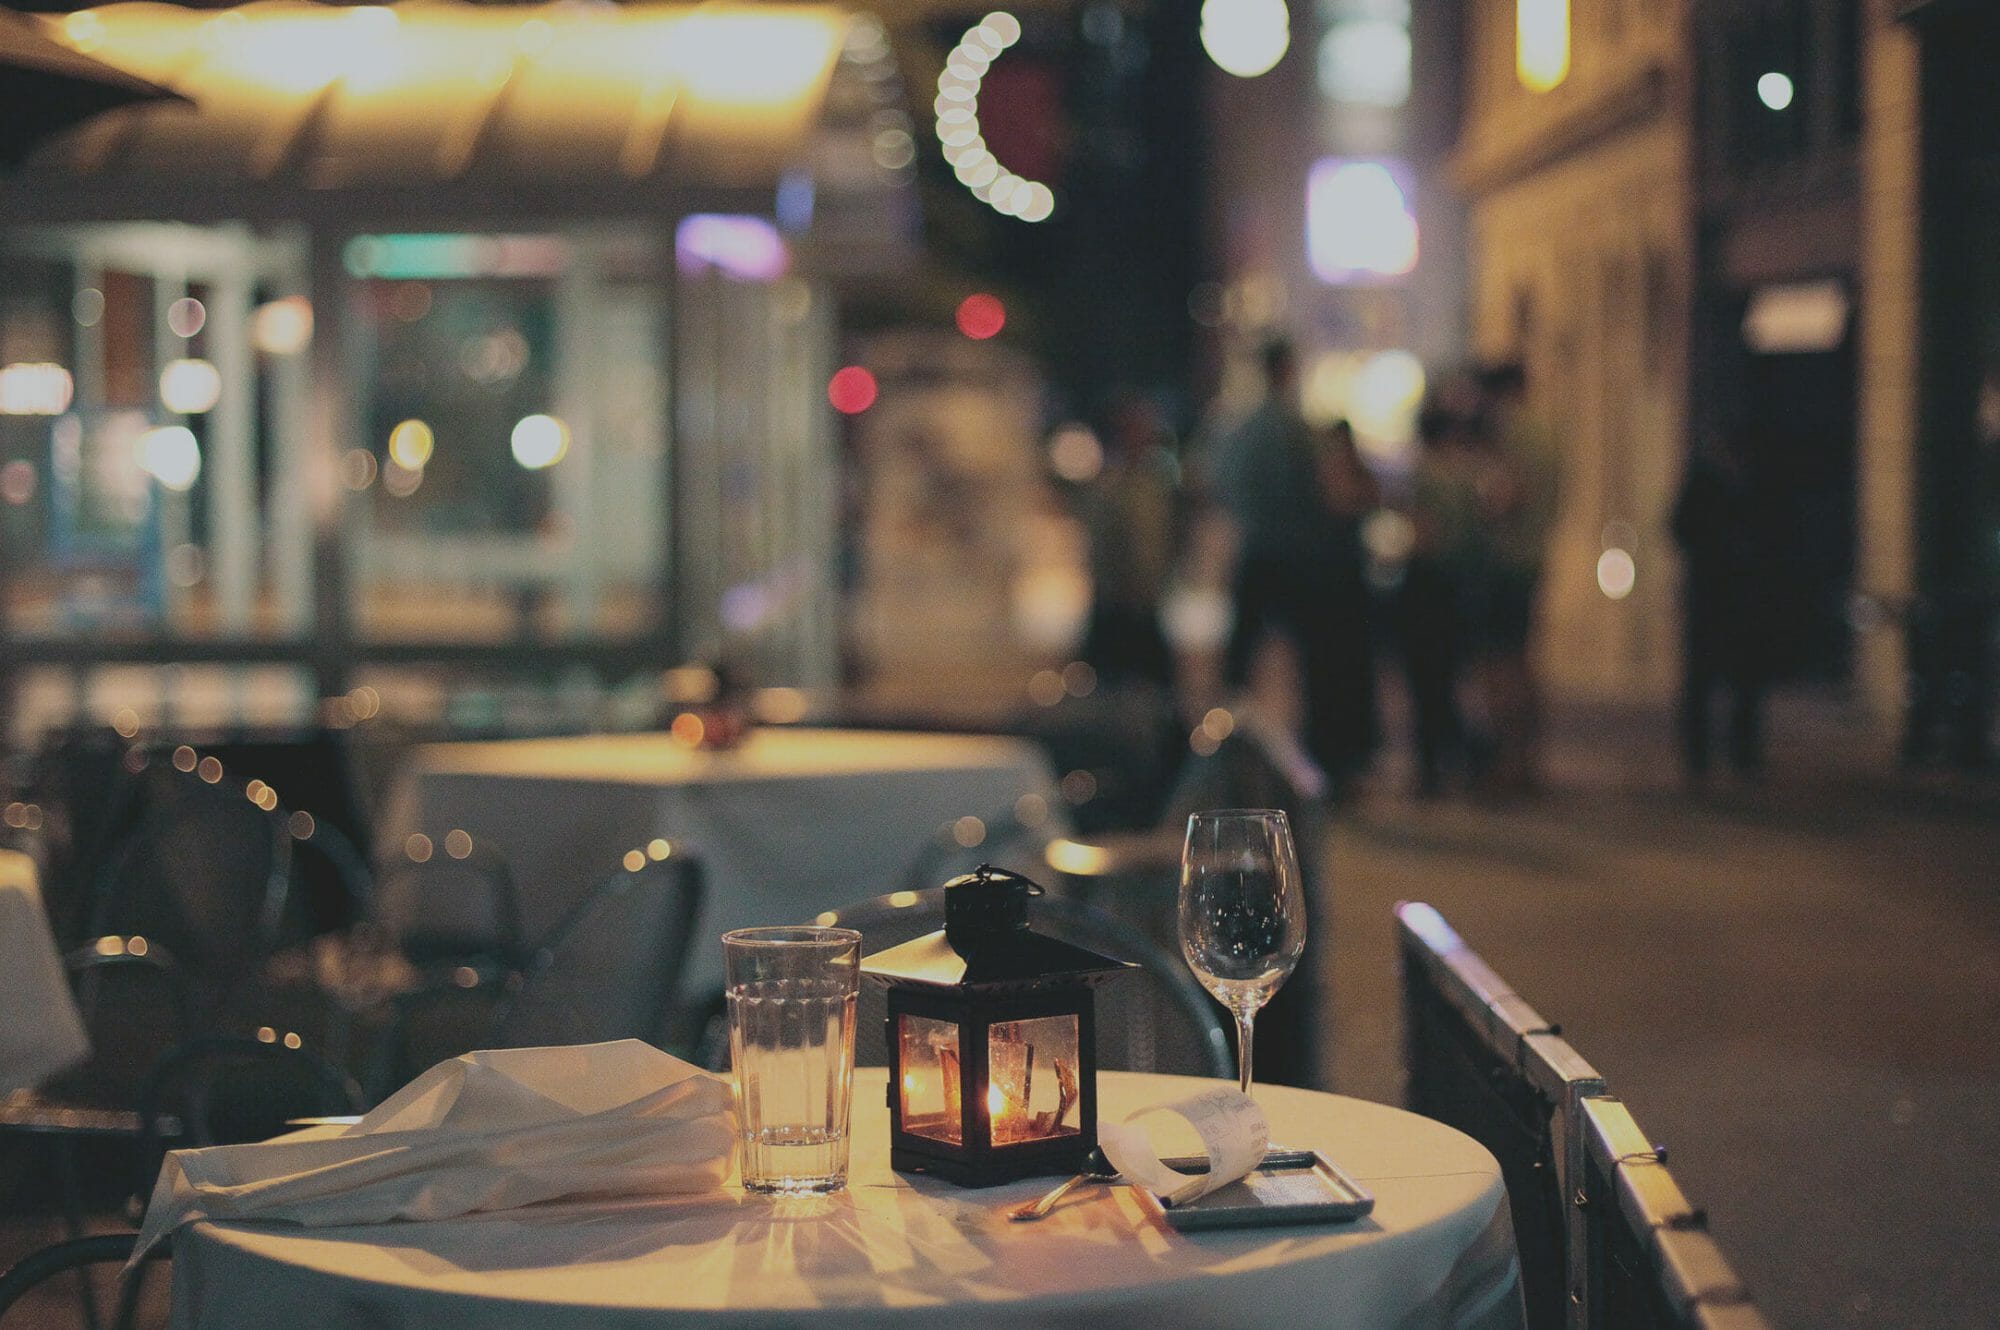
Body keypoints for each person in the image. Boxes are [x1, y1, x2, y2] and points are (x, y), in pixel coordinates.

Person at [1211, 338, 1379, 787]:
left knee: (1241, 661)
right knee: (1317, 663)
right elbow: (1325, 496)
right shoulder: (1298, 432)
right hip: (1302, 560)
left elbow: (1221, 485)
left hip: (1260, 552)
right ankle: (1321, 760)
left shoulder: (1243, 430)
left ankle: (1224, 747)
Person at [1470, 362, 1560, 795]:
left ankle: (1510, 765)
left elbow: (1506, 497)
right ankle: (1525, 763)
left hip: (1507, 563)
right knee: (1521, 662)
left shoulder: (1516, 435)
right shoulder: (1546, 434)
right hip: (1532, 559)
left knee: (1500, 666)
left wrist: (1479, 503)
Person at [1672, 431, 1781, 780]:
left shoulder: (1756, 486)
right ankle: (1699, 757)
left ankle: (1743, 752)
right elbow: (1679, 528)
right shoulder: (1703, 484)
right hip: (1710, 592)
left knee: (1745, 677)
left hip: (1743, 594)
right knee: (1702, 678)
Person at [1400, 405, 1485, 796]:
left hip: (1428, 583)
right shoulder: (1464, 474)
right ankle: (1460, 762)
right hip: (1460, 584)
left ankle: (1432, 769)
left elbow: (1423, 531)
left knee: (1426, 681)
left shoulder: (1426, 476)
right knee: (1449, 677)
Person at [1080, 391, 1179, 690]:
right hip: (1118, 605)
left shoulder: (1153, 486)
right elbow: (1102, 547)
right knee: (1107, 684)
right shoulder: (1110, 487)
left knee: (1155, 687)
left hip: (1144, 602)